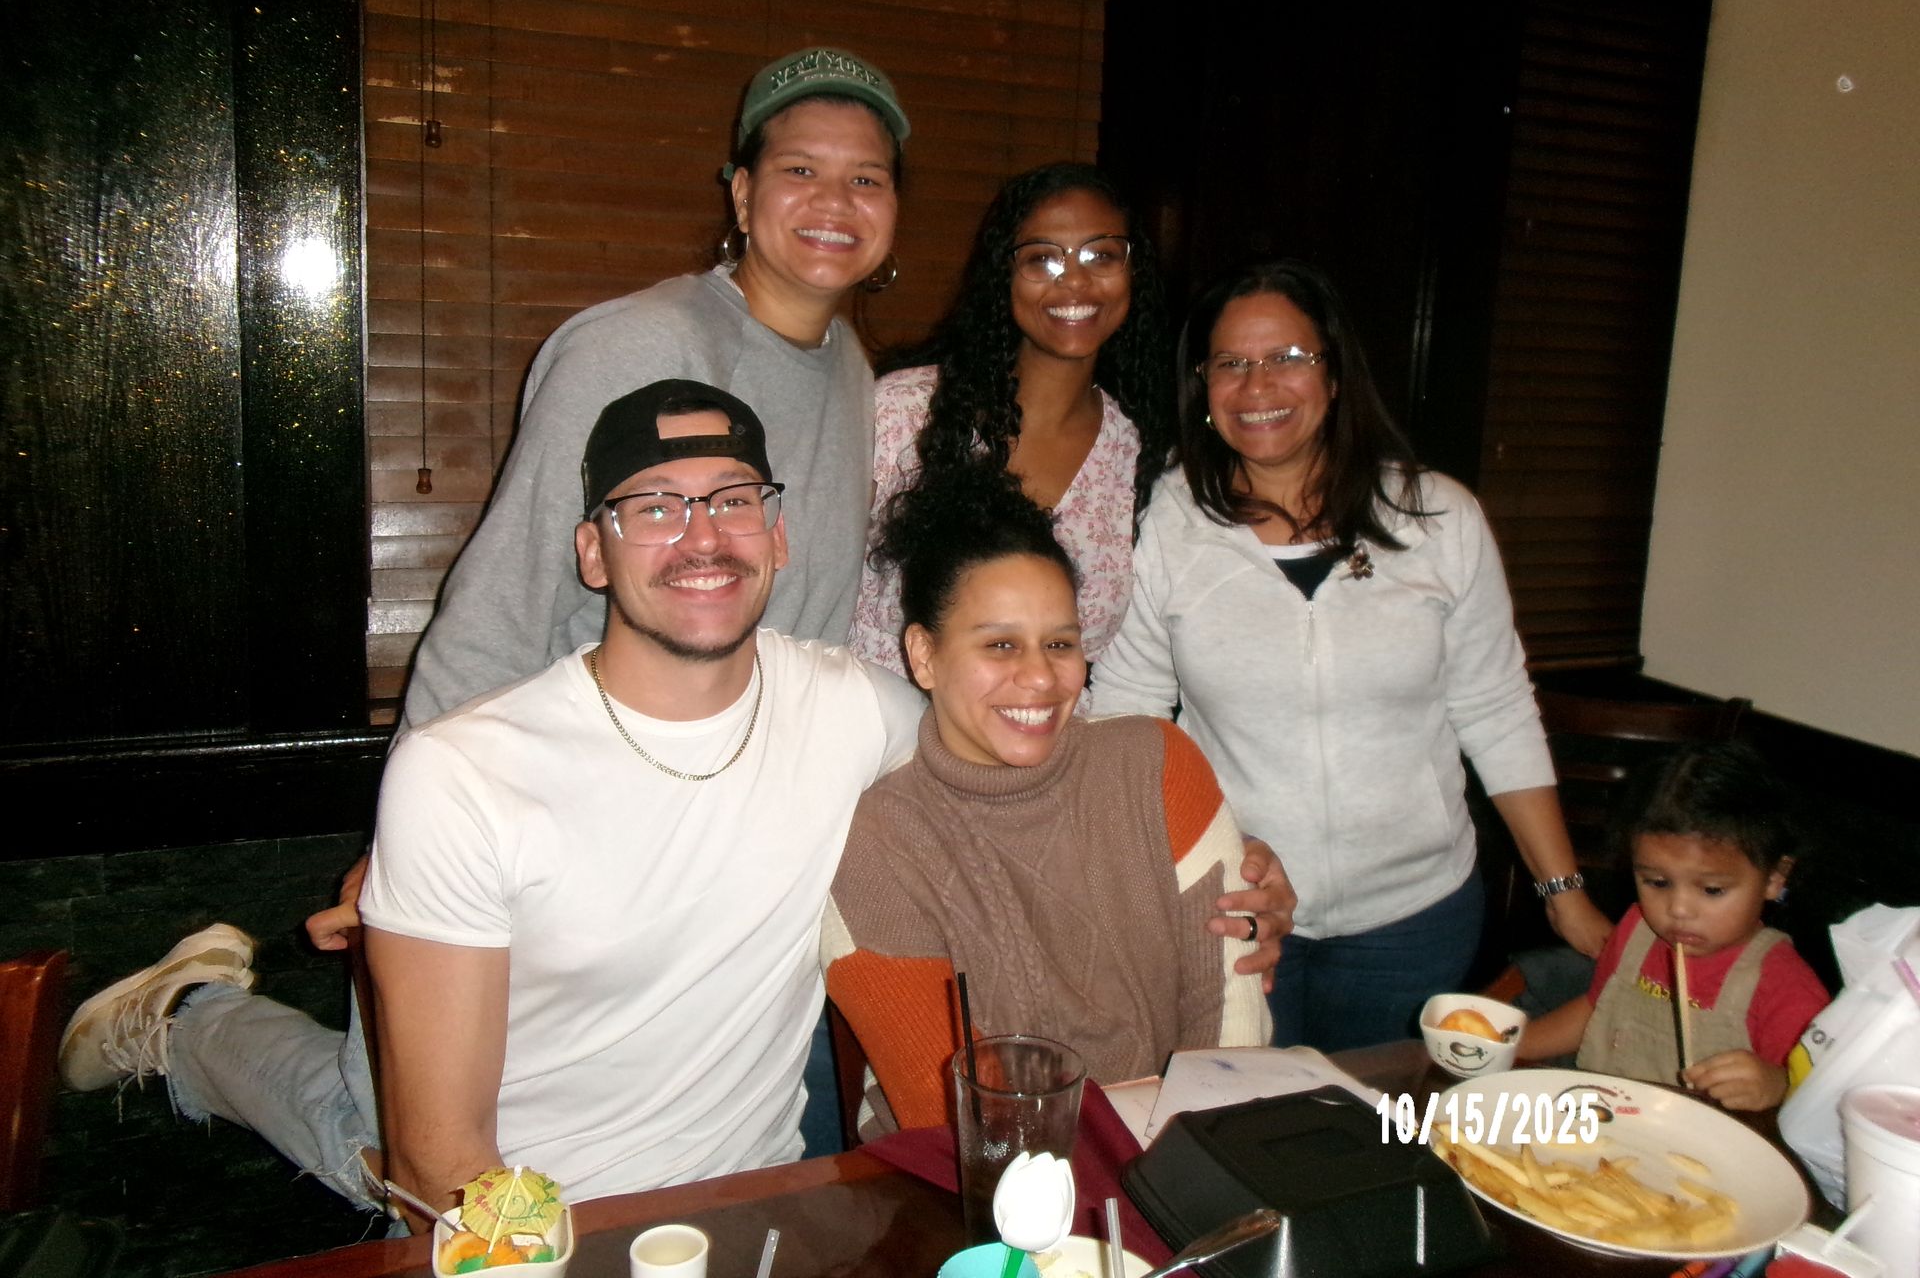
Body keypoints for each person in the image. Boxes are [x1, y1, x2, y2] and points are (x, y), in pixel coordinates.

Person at [59, 383, 1293, 1213]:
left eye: (733, 499)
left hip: (742, 1198)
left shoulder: (854, 710)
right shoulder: (466, 773)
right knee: (360, 1135)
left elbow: (1026, 738)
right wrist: (411, 872)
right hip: (533, 1205)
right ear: (591, 550)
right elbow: (445, 1169)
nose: (701, 534)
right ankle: (190, 1019)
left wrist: (1238, 868)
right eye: (653, 505)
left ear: (780, 537)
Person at [1090, 259, 1612, 1051]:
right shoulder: (1166, 524)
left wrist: (1563, 893)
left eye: (1288, 357)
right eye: (1230, 363)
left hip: (1416, 917)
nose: (1258, 385)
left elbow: (1496, 708)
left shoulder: (1437, 518)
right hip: (1236, 904)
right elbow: (1128, 714)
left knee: (1380, 1113)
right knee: (1246, 1114)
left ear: (1334, 376)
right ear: (1203, 388)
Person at [404, 44, 909, 728]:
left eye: (866, 179)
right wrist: (431, 783)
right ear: (742, 194)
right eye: (800, 169)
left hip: (762, 763)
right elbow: (503, 600)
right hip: (604, 757)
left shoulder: (849, 363)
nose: (835, 201)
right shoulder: (639, 346)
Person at [825, 465, 1270, 1129]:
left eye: (1060, 643)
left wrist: (1191, 1163)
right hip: (976, 1180)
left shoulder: (1158, 764)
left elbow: (1231, 1033)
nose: (1040, 676)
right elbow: (957, 1120)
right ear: (923, 656)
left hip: (1183, 1155)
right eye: (1000, 644)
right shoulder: (870, 844)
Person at [847, 162, 1175, 676]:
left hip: (1046, 726)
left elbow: (1126, 667)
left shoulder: (1141, 457)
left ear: (1133, 271)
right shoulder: (904, 412)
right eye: (1043, 258)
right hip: (870, 721)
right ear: (1004, 275)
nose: (1075, 280)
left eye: (1101, 255)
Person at [1518, 742, 1829, 1111]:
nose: (1678, 909)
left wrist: (1777, 1085)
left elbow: (1820, 1103)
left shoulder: (1786, 986)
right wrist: (1513, 1045)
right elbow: (1595, 1010)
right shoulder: (1636, 930)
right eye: (1657, 882)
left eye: (1712, 890)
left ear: (1775, 878)